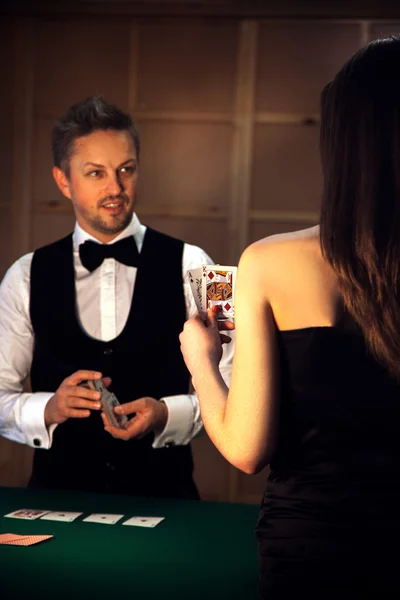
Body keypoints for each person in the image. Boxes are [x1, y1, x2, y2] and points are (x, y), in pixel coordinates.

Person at [179, 36, 400, 597]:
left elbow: (247, 448)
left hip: (312, 549)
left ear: (341, 144)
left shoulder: (270, 263)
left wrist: (202, 360)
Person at [0, 95, 233, 500]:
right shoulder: (22, 275)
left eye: (126, 169)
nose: (115, 188)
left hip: (168, 504)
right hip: (58, 504)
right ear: (62, 180)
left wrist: (167, 414)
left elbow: (234, 388)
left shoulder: (201, 267)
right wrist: (48, 409)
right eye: (95, 173)